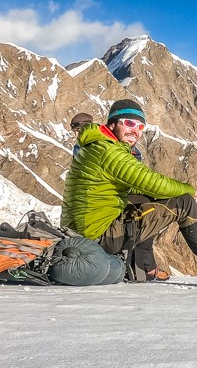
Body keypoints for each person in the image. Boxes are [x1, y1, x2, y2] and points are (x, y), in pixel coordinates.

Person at [61, 99, 197, 288]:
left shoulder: (97, 144)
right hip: (99, 237)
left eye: (140, 126)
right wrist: (188, 190)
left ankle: (144, 267)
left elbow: (138, 188)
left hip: (84, 233)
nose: (135, 130)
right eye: (128, 123)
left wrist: (156, 196)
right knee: (184, 204)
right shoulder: (108, 150)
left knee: (145, 203)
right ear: (112, 123)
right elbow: (149, 181)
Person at [68, 111, 170, 281]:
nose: (77, 132)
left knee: (140, 221)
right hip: (109, 196)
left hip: (114, 192)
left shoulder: (91, 143)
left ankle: (143, 266)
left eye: (77, 128)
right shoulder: (94, 143)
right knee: (143, 220)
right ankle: (145, 267)